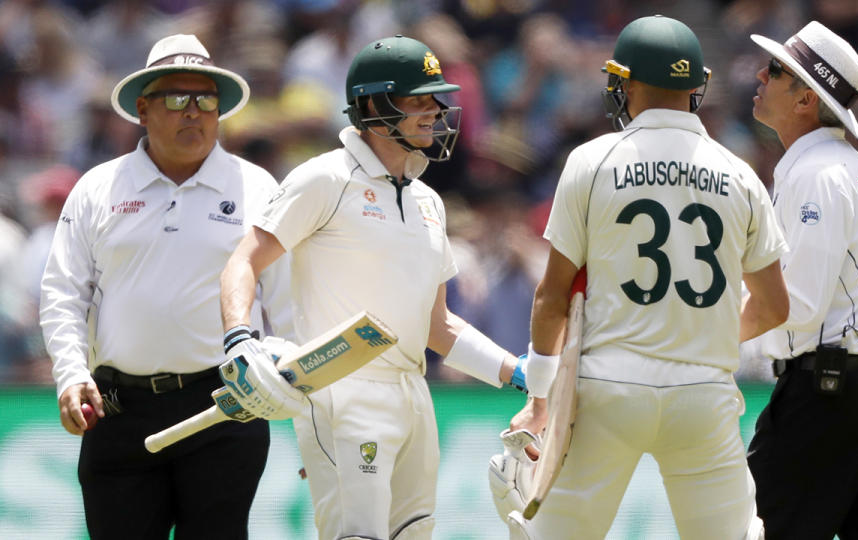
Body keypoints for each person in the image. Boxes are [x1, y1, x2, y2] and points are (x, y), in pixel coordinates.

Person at [217, 35, 532, 540]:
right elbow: (244, 260)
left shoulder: (430, 200)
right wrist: (239, 338)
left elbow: (439, 327)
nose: (435, 110)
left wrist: (518, 372)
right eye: (418, 100)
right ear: (372, 105)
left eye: (436, 98)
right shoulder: (323, 179)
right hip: (342, 391)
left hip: (413, 394)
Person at [504, 15, 789, 539]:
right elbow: (774, 308)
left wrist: (540, 395)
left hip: (610, 389)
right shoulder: (742, 172)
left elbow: (552, 295)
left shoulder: (591, 161)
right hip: (704, 393)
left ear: (627, 83)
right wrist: (697, 339)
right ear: (696, 87)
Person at [39, 34, 293, 539]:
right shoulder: (97, 188)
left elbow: (288, 309)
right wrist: (70, 375)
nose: (193, 113)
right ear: (142, 109)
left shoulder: (260, 188)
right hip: (118, 410)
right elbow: (63, 293)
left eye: (206, 100)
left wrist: (311, 429)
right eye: (177, 99)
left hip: (226, 406)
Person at [747, 21, 858, 539]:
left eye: (776, 70)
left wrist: (698, 339)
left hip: (826, 396)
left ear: (804, 99)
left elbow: (796, 305)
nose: (760, 74)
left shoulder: (817, 171)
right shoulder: (839, 164)